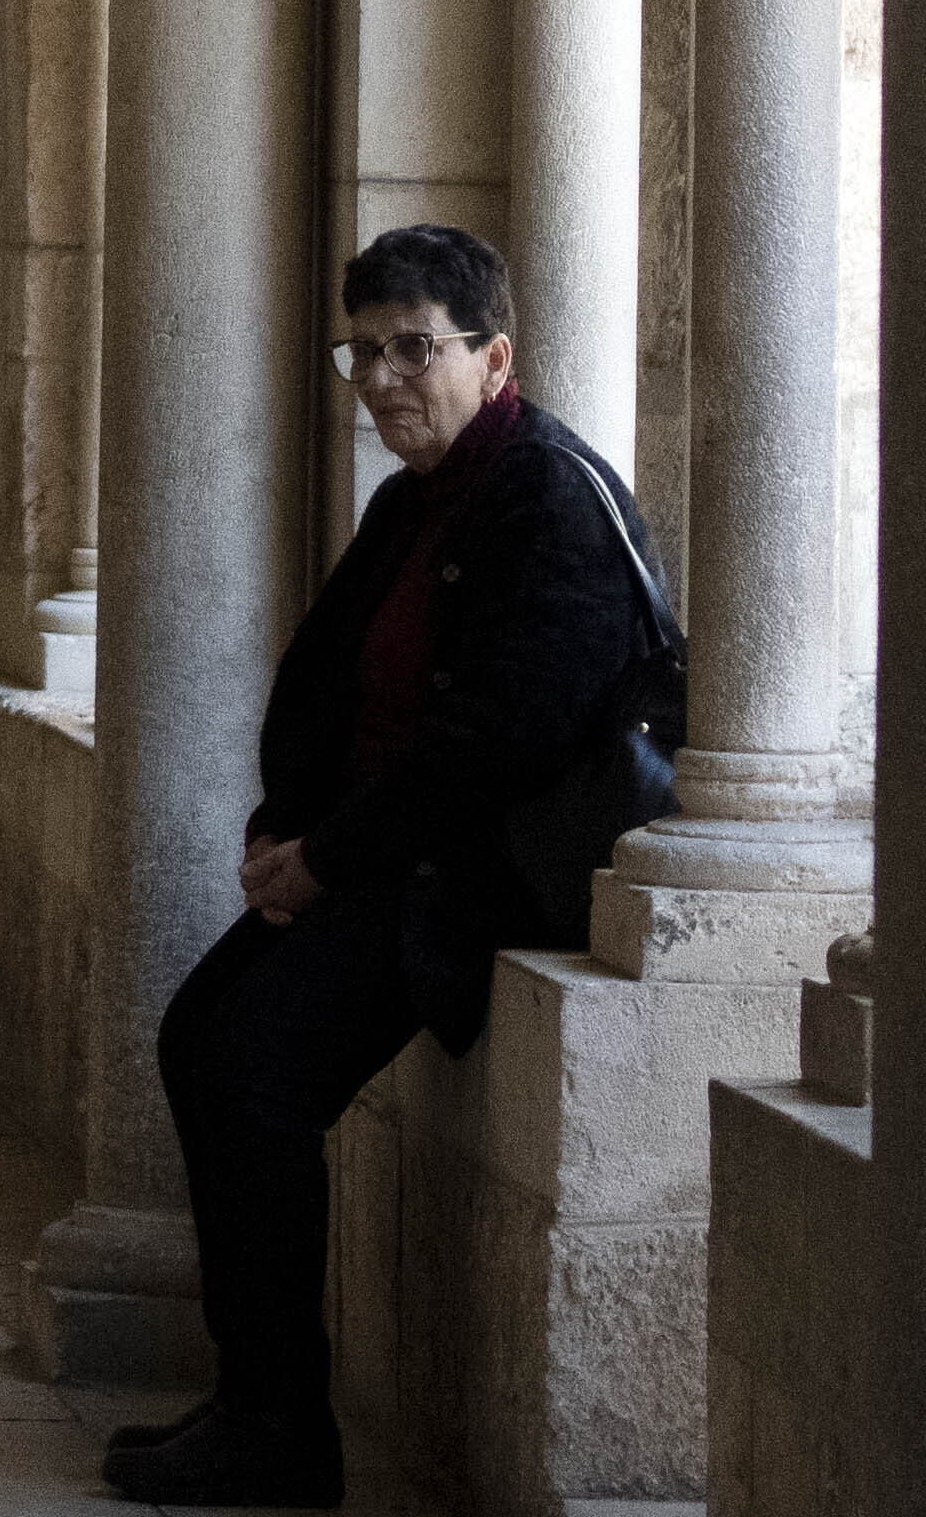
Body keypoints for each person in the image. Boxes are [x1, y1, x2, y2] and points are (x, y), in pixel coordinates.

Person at [102, 222, 674, 1512]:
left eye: (416, 348)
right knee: (204, 1036)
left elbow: (495, 741)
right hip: (379, 854)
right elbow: (326, 677)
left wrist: (325, 860)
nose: (385, 380)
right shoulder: (416, 499)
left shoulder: (546, 495)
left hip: (470, 873)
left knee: (247, 1061)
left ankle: (278, 1435)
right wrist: (280, 827)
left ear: (494, 355)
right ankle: (260, 1404)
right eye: (364, 353)